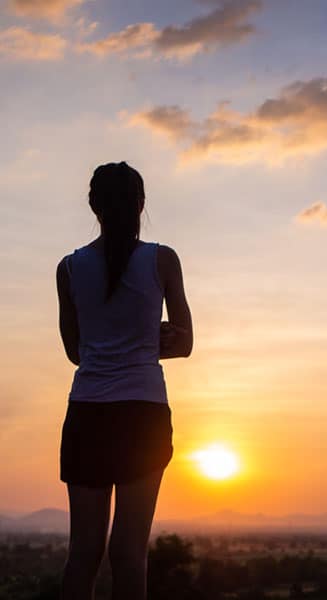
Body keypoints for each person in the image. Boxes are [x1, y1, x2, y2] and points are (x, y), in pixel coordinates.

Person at [56, 161, 193, 600]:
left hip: (88, 414)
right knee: (130, 554)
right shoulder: (163, 259)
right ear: (141, 205)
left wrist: (111, 341)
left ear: (94, 206)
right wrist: (148, 340)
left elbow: (75, 352)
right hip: (143, 414)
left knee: (83, 555)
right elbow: (185, 342)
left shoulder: (70, 268)